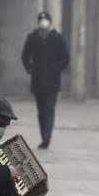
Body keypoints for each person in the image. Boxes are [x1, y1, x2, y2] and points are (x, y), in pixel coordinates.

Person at [20, 11, 69, 149]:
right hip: (37, 81)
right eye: (41, 20)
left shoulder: (57, 38)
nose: (43, 22)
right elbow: (24, 56)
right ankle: (44, 136)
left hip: (52, 82)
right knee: (41, 111)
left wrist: (56, 69)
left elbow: (65, 58)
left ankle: (47, 135)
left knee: (49, 108)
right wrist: (29, 68)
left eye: (46, 19)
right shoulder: (32, 37)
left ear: (50, 21)